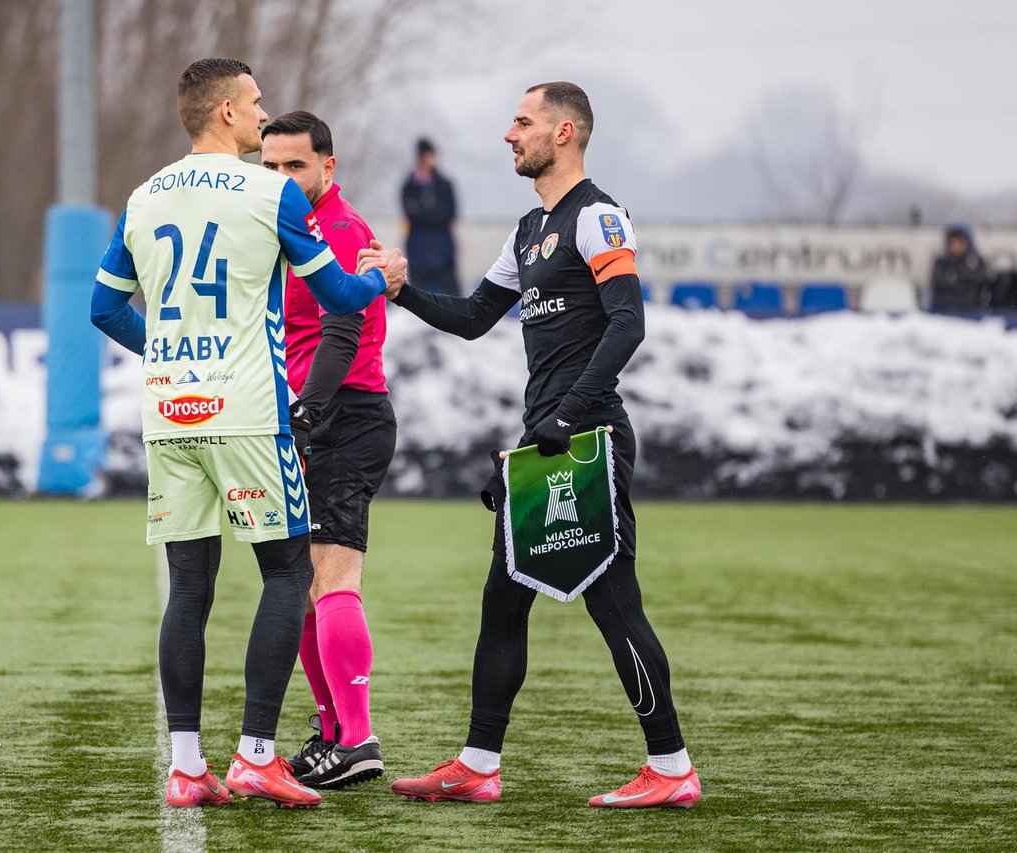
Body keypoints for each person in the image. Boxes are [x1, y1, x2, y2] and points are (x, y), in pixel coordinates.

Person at [365, 81, 700, 809]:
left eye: (523, 122)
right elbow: (474, 317)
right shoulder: (527, 229)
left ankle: (672, 767)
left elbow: (629, 322)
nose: (509, 135)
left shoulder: (599, 217)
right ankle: (478, 764)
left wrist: (571, 413)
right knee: (502, 602)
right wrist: (400, 290)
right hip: (545, 441)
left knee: (614, 603)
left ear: (565, 132)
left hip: (588, 438)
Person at [89, 58, 405, 809]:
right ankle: (257, 755)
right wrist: (384, 276)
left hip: (170, 410)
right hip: (249, 412)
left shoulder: (142, 196)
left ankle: (186, 766)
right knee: (288, 574)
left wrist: (168, 356)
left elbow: (103, 309)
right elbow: (339, 295)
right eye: (256, 102)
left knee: (189, 585)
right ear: (227, 111)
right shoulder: (271, 192)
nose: (264, 115)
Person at [259, 111, 395, 790]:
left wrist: (307, 414)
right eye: (270, 167)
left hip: (346, 416)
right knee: (308, 588)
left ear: (327, 167)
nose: (282, 178)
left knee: (334, 579)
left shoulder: (337, 229)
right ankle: (335, 731)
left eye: (296, 166)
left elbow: (341, 334)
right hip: (314, 417)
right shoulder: (289, 226)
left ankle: (357, 738)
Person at [400, 138, 460, 297]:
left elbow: (450, 213)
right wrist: (433, 212)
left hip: (443, 251)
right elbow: (411, 213)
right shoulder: (410, 186)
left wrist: (424, 211)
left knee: (452, 297)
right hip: (418, 252)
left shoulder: (444, 185)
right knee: (419, 298)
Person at [930, 223, 992, 312]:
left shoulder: (976, 261)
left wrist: (962, 274)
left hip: (971, 309)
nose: (955, 246)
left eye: (959, 242)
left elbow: (982, 281)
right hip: (944, 309)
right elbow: (937, 283)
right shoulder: (942, 262)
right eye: (952, 243)